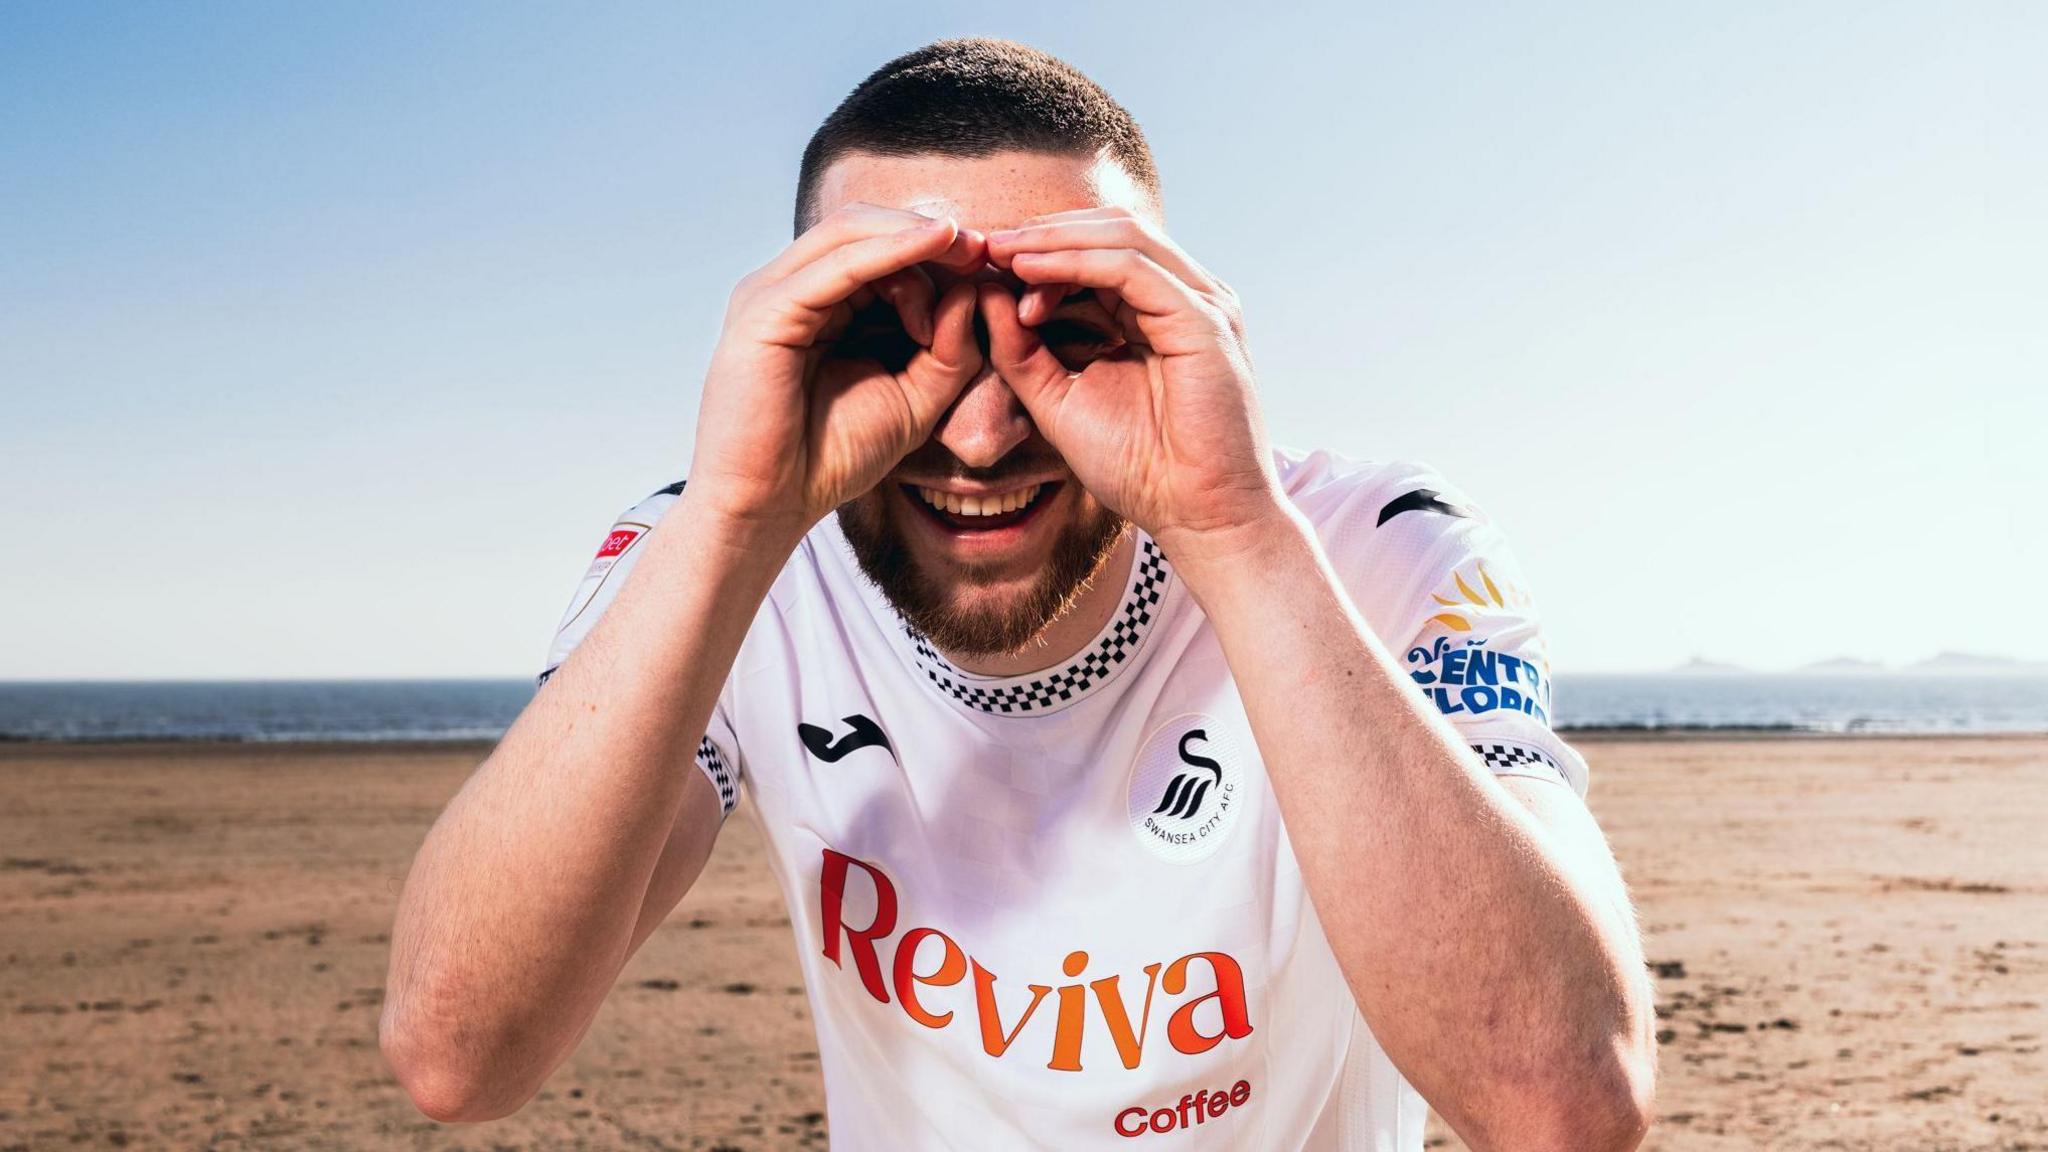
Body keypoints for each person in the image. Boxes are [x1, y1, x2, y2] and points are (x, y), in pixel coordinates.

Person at [380, 37, 1656, 1151]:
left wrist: (1230, 527)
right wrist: (729, 522)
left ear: (1175, 323)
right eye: (889, 329)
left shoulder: (1372, 548)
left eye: (1068, 325)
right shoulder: (728, 557)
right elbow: (459, 1053)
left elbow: (1563, 1108)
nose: (981, 430)